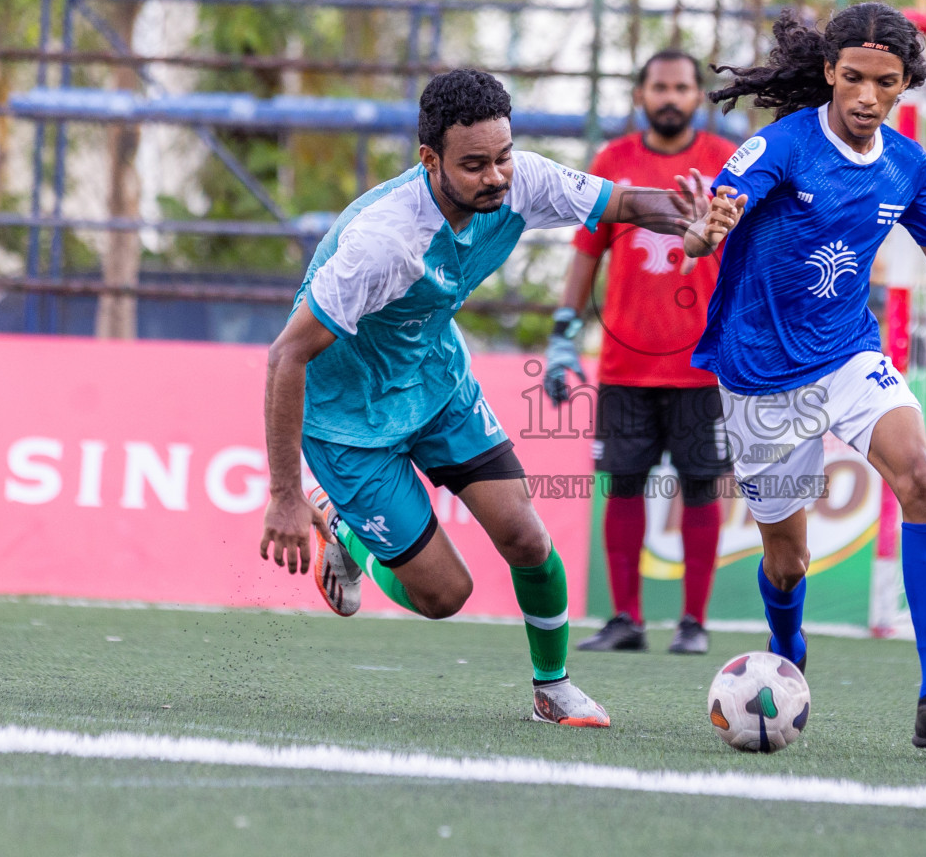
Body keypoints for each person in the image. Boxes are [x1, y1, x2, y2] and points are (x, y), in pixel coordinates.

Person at [258, 69, 741, 728]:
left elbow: (626, 205)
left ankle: (553, 686)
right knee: (444, 595)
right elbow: (287, 354)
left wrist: (689, 211)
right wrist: (284, 494)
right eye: (475, 164)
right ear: (430, 161)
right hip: (347, 422)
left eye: (504, 155)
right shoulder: (382, 244)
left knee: (524, 534)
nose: (495, 176)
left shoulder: (523, 181)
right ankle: (336, 523)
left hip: (436, 384)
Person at [690, 2, 926, 749]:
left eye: (884, 82)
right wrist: (707, 228)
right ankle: (788, 651)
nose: (866, 96)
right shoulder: (778, 147)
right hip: (761, 374)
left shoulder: (907, 165)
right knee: (789, 564)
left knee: (921, 477)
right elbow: (717, 216)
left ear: (904, 86)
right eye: (853, 78)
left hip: (849, 354)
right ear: (829, 73)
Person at [545, 49, 736, 657]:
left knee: (702, 488)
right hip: (625, 365)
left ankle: (693, 623)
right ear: (640, 96)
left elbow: (748, 249)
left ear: (698, 97)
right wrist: (562, 332)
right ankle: (625, 618)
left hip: (702, 363)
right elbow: (585, 251)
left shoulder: (723, 162)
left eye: (682, 87)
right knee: (623, 486)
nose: (671, 97)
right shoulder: (612, 163)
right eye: (660, 87)